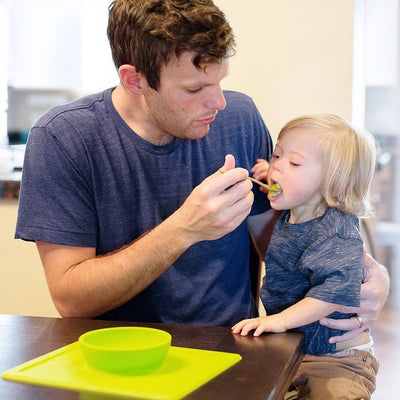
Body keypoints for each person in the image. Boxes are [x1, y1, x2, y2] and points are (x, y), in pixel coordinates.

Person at [15, 0, 388, 340]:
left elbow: (280, 242)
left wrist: (363, 272)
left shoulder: (239, 118)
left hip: (236, 349)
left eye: (220, 81)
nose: (219, 102)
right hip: (120, 355)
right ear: (135, 80)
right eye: (195, 89)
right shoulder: (64, 138)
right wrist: (185, 229)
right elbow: (72, 300)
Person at [232, 114, 381, 399]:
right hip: (295, 352)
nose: (277, 166)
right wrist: (273, 172)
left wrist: (279, 321)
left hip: (338, 360)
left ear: (332, 182)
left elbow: (334, 293)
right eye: (277, 155)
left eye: (295, 163)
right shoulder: (299, 205)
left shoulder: (336, 230)